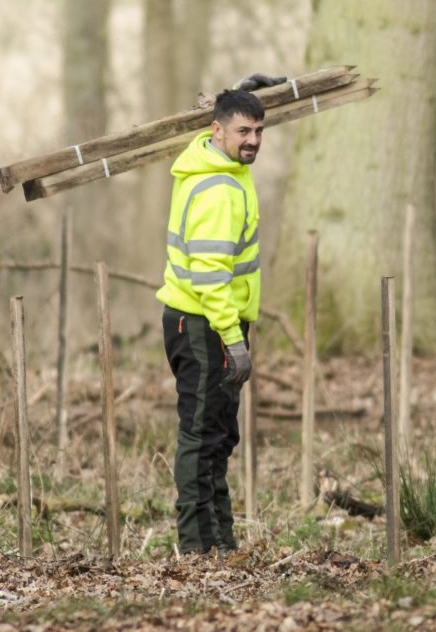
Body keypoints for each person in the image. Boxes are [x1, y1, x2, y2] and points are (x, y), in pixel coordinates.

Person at [156, 74, 285, 557]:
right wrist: (234, 340)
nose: (252, 141)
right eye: (242, 132)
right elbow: (210, 276)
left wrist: (239, 87)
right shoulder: (217, 190)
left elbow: (217, 116)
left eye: (258, 131)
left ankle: (220, 542)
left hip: (210, 322)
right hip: (205, 325)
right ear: (217, 131)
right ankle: (196, 547)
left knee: (219, 433)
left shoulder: (216, 160)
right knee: (201, 432)